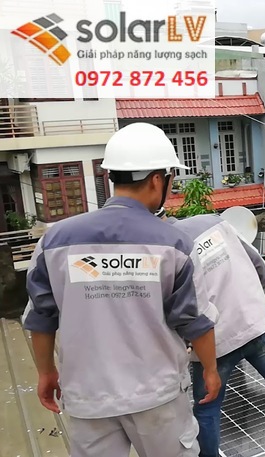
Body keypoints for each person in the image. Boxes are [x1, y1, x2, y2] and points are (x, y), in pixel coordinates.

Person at [23, 122, 222, 457]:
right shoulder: (174, 244)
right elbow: (195, 320)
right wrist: (211, 370)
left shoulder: (53, 241)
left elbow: (41, 318)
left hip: (88, 398)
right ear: (158, 180)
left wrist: (46, 372)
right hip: (157, 396)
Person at [157, 209, 265, 457]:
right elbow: (257, 261)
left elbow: (175, 306)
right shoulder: (214, 222)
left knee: (207, 409)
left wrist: (183, 340)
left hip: (214, 342)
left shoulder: (165, 248)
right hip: (257, 323)